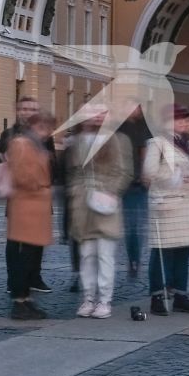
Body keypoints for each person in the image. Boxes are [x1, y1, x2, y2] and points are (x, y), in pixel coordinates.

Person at [68, 102, 133, 319]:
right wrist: (76, 193)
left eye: (100, 115)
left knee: (105, 254)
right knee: (86, 254)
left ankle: (105, 300)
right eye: (91, 115)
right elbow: (74, 172)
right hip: (82, 204)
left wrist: (111, 192)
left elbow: (124, 172)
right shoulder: (77, 141)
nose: (95, 119)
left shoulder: (116, 139)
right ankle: (88, 298)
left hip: (106, 201)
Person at [144, 105, 189, 316]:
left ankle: (181, 294)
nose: (185, 124)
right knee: (163, 253)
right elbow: (149, 171)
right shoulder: (158, 143)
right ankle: (157, 296)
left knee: (183, 252)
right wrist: (175, 177)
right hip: (168, 204)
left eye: (187, 120)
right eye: (180, 120)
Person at [3, 111, 55, 320]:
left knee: (31, 256)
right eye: (44, 128)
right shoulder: (22, 144)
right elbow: (23, 175)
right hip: (25, 207)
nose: (47, 133)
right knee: (22, 256)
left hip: (35, 207)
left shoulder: (35, 145)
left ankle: (26, 299)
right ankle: (19, 300)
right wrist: (40, 186)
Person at [115, 102, 154, 286]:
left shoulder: (144, 127)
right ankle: (132, 259)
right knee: (128, 226)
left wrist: (146, 174)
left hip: (138, 183)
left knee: (135, 226)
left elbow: (146, 153)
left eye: (135, 106)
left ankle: (134, 259)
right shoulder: (118, 126)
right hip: (121, 182)